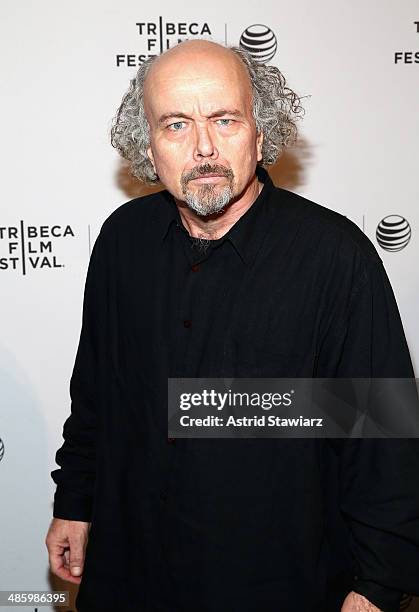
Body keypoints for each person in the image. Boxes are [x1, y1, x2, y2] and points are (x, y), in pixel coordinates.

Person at [45, 39, 419, 612]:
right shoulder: (122, 240)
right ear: (147, 144)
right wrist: (75, 500)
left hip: (277, 582)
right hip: (132, 571)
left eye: (225, 119)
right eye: (175, 124)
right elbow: (97, 388)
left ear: (260, 132)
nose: (204, 148)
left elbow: (380, 439)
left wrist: (376, 585)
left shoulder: (334, 256)